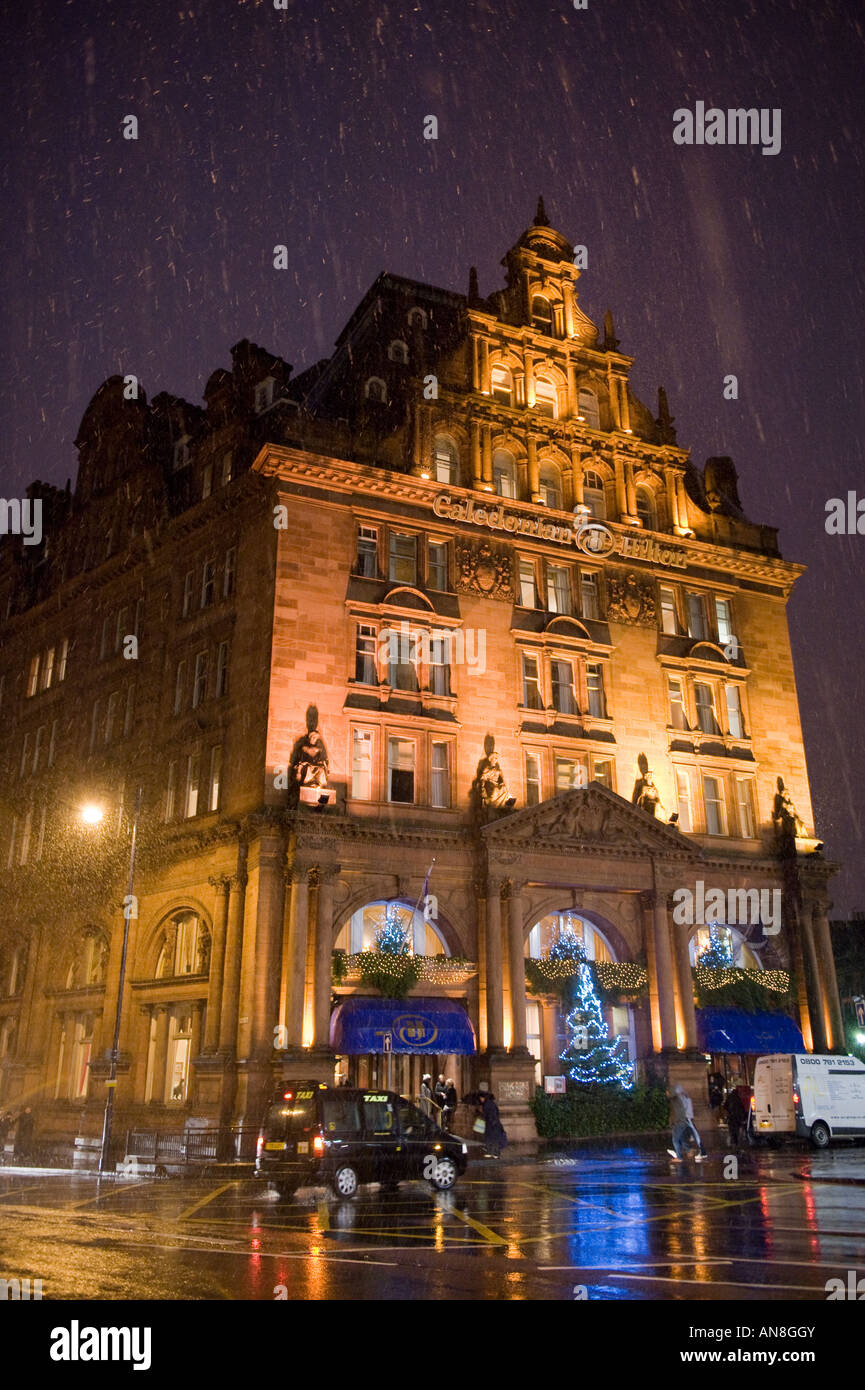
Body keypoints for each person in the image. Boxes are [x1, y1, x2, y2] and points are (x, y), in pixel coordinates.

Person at [668, 1085, 703, 1163]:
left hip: (680, 1121)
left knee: (675, 1139)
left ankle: (679, 1157)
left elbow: (678, 1111)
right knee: (682, 1138)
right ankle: (689, 1150)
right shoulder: (686, 1098)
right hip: (686, 1120)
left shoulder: (678, 1099)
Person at [479, 1090, 507, 1158]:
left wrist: (481, 1114)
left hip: (491, 1124)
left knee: (491, 1139)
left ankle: (492, 1153)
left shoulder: (487, 1104)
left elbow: (490, 1114)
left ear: (483, 1098)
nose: (480, 1099)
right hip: (494, 1124)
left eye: (481, 1098)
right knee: (493, 1139)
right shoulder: (491, 1103)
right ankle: (494, 1153)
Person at [723, 1082, 748, 1148]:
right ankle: (736, 1143)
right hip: (737, 1118)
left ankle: (734, 1142)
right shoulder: (738, 1099)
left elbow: (725, 1106)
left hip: (731, 1117)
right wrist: (744, 1117)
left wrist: (728, 1112)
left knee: (732, 1131)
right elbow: (742, 1109)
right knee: (736, 1130)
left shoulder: (730, 1097)